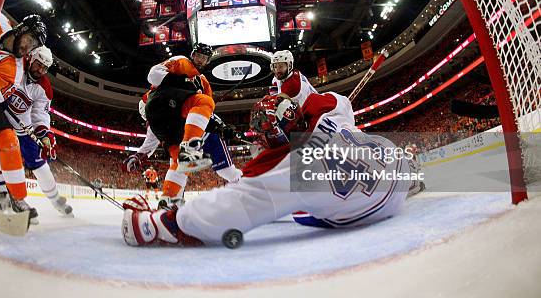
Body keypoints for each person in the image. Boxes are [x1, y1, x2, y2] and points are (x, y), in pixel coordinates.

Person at [120, 92, 412, 247]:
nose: (260, 138)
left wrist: (159, 223)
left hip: (371, 209)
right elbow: (342, 102)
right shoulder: (325, 111)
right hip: (396, 169)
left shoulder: (284, 166)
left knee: (291, 204)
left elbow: (226, 211)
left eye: (261, 131)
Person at [126, 51, 242, 208]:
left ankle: (170, 201)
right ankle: (172, 200)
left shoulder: (197, 79)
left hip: (203, 133)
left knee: (191, 164)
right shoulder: (179, 73)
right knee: (186, 162)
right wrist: (221, 126)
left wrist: (139, 155)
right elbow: (205, 106)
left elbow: (207, 110)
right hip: (193, 132)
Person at [0, 13, 47, 222]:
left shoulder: (15, 69)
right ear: (22, 29)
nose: (28, 48)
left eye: (33, 47)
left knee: (9, 141)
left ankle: (17, 198)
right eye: (30, 40)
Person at [0, 45, 72, 216]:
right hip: (1, 119)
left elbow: (39, 114)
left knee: (39, 163)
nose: (41, 70)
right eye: (39, 64)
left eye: (45, 68)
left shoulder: (45, 88)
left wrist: (45, 135)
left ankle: (56, 200)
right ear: (31, 58)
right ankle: (4, 195)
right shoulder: (16, 64)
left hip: (23, 128)